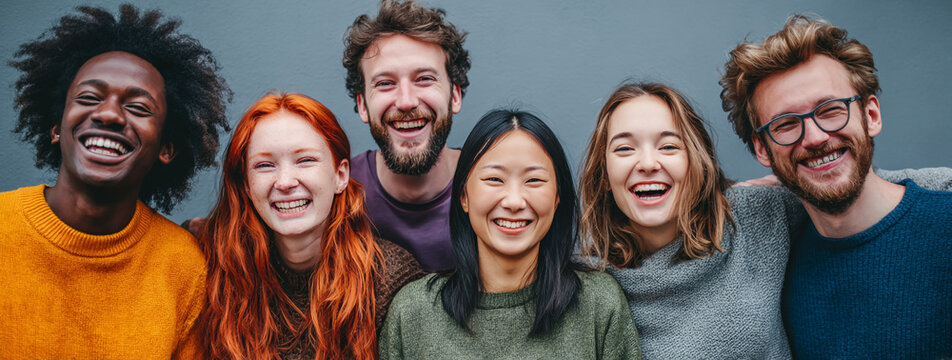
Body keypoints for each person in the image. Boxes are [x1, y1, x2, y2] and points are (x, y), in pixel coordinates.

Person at [578, 82, 952, 359]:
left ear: (697, 165)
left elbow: (861, 188)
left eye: (669, 146)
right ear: (604, 174)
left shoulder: (753, 216)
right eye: (624, 148)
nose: (647, 163)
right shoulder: (588, 284)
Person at [0, 5, 231, 358]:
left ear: (166, 148)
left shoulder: (183, 267)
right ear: (56, 127)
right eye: (89, 98)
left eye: (138, 108)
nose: (108, 114)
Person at [720, 15, 952, 358]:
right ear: (762, 149)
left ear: (871, 116)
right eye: (785, 124)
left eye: (830, 110)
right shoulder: (776, 275)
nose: (814, 138)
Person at [379, 109, 641, 359]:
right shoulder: (414, 312)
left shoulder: (598, 304)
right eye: (494, 179)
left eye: (533, 180)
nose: (514, 201)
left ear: (557, 198)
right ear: (464, 196)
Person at [197, 93, 423, 359]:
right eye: (265, 165)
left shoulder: (390, 279)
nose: (285, 182)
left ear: (340, 175)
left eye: (305, 160)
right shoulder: (215, 274)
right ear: (246, 185)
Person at [342, 0, 471, 272]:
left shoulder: (493, 187)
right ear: (363, 105)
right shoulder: (339, 193)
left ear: (455, 96)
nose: (406, 101)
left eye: (424, 79)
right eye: (385, 83)